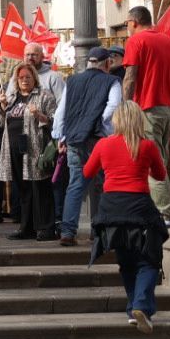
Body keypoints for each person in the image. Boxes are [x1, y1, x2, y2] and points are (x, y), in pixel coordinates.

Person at [85, 102, 169, 334]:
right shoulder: (147, 146)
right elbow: (160, 175)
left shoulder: (104, 144)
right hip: (140, 208)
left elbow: (87, 172)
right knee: (149, 260)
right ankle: (141, 305)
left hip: (111, 209)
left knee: (127, 262)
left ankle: (134, 309)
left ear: (117, 121)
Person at [54, 46, 123, 246]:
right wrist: (101, 124)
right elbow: (113, 107)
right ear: (108, 63)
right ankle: (99, 231)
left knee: (75, 184)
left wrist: (60, 135)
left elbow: (61, 109)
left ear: (89, 63)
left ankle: (68, 231)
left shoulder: (73, 80)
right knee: (103, 185)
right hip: (98, 139)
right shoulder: (112, 81)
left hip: (74, 138)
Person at [122, 6, 170, 222]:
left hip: (147, 108)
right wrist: (162, 70)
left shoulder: (136, 41)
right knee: (160, 161)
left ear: (134, 22)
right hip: (169, 109)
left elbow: (130, 77)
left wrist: (125, 106)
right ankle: (156, 211)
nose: (126, 28)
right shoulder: (169, 41)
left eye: (126, 23)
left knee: (151, 163)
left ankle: (164, 214)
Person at [0, 63, 58, 240]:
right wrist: (2, 107)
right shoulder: (11, 98)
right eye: (21, 77)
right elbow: (1, 123)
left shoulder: (44, 96)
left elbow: (55, 121)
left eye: (28, 77)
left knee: (40, 188)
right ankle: (27, 228)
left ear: (34, 78)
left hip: (35, 148)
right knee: (23, 189)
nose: (24, 80)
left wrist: (40, 116)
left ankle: (46, 228)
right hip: (14, 149)